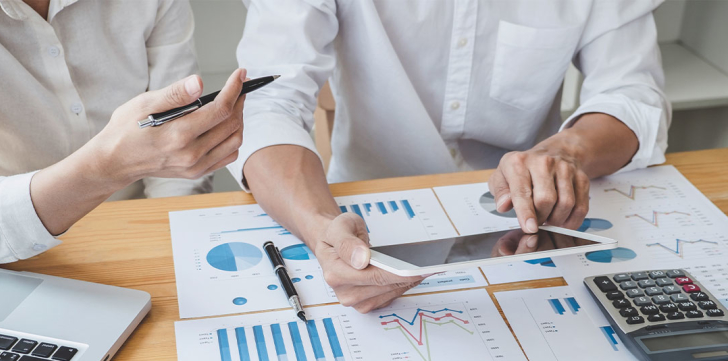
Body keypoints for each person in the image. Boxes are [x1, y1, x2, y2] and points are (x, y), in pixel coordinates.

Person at [231, 0, 671, 312]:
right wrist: (318, 227)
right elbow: (267, 104)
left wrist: (566, 151)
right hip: (366, 215)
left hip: (528, 223)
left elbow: (632, 93)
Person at [0, 0, 246, 265]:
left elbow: (177, 147)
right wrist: (107, 167)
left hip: (144, 230)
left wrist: (173, 247)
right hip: (11, 255)